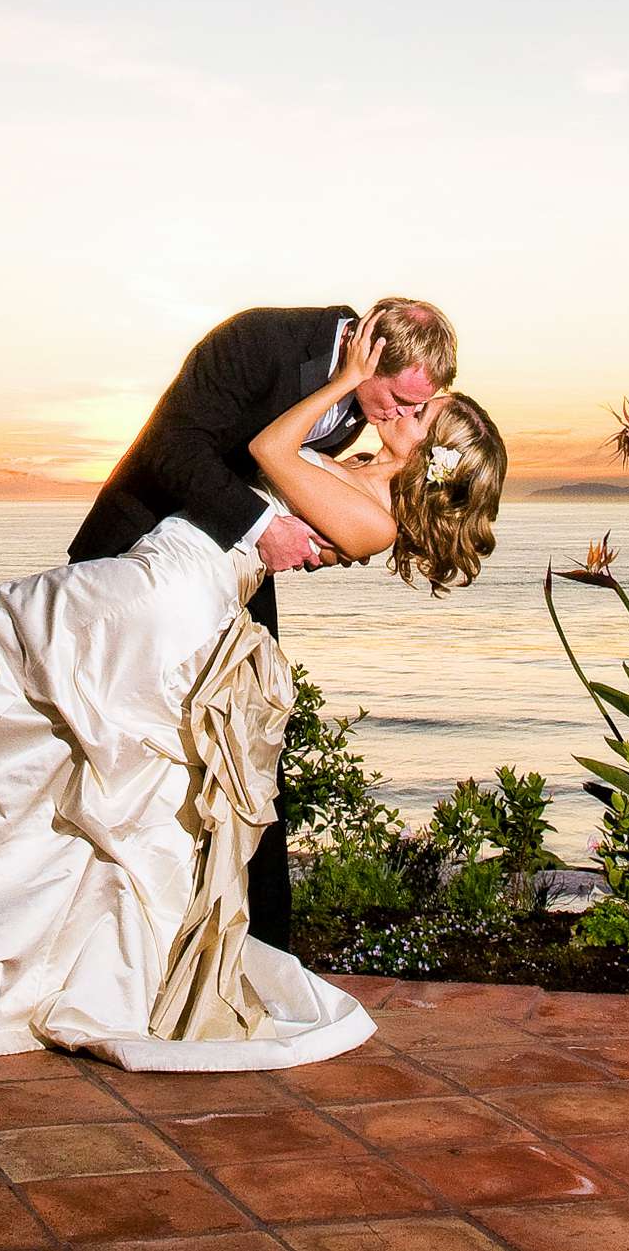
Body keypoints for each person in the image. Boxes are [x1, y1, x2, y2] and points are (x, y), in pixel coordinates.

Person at [0, 312, 507, 1073]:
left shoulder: (373, 514)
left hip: (166, 593)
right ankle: (88, 978)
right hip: (165, 580)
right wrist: (352, 391)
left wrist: (348, 378)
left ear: (435, 451)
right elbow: (247, 457)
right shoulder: (361, 458)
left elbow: (269, 445)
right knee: (111, 782)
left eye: (422, 409)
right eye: (411, 397)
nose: (409, 407)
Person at [69, 297, 460, 947]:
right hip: (143, 563)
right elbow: (171, 448)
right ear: (365, 349)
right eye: (394, 397)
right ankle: (112, 934)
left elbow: (292, 475)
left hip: (232, 578)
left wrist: (314, 535)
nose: (395, 414)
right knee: (121, 759)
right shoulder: (260, 340)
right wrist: (263, 526)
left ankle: (250, 949)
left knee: (244, 762)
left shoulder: (359, 406)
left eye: (413, 409)